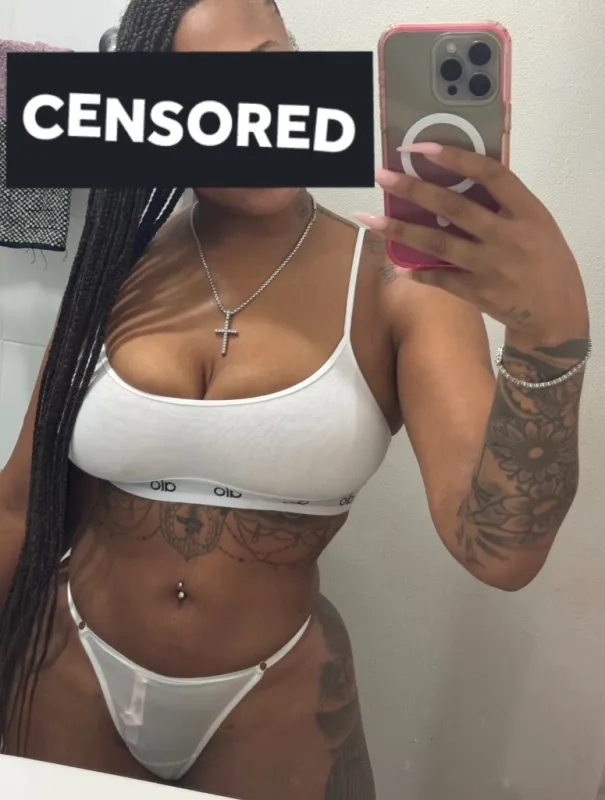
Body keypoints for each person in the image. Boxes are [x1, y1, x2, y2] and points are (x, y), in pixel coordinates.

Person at [0, 0, 590, 798]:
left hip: (273, 707)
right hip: (64, 673)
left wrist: (548, 337)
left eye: (268, 70)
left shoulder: (400, 282)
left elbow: (502, 552)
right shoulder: (116, 265)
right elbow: (17, 509)